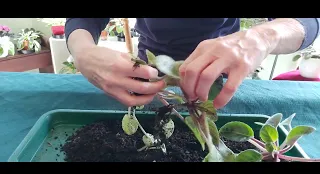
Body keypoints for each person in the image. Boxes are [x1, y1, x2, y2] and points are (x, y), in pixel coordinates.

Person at [65, 18, 320, 109]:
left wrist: (262, 36)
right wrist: (83, 51)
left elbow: (306, 22)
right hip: (150, 72)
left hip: (220, 73)